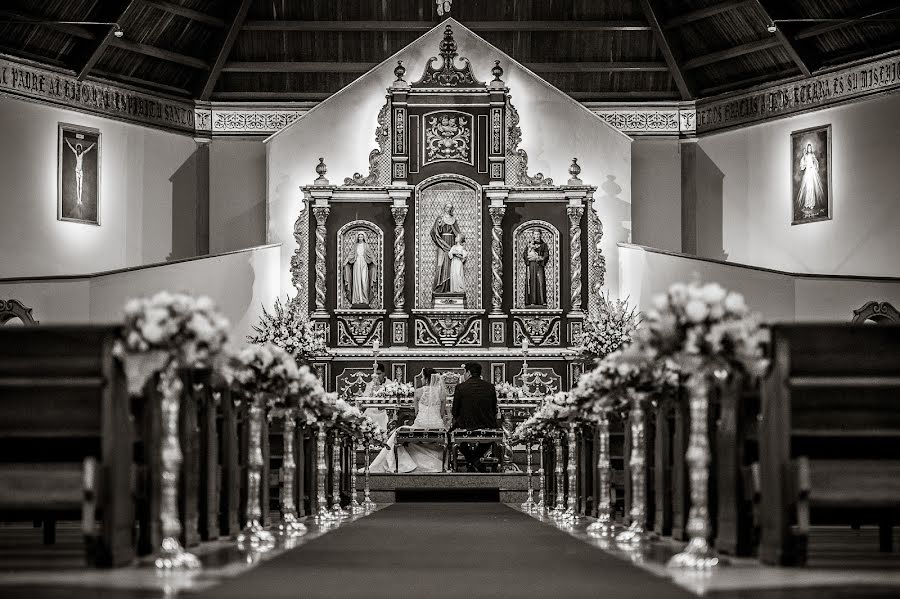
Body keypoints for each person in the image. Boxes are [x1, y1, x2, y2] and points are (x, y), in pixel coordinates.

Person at [367, 370, 449, 473]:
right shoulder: (442, 393)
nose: (422, 379)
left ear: (427, 379)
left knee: (396, 434)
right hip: (438, 428)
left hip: (420, 426)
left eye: (423, 377)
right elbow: (442, 414)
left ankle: (402, 465)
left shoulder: (418, 392)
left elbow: (416, 412)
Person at [451, 362, 499, 473]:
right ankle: (476, 459)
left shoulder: (460, 387)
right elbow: (493, 409)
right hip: (487, 424)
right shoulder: (490, 387)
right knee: (490, 437)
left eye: (464, 372)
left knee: (453, 436)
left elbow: (455, 411)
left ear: (468, 372)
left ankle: (471, 460)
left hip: (466, 424)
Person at [431, 203, 461, 294]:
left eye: (450, 208)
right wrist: (439, 225)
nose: (449, 209)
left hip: (451, 243)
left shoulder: (453, 220)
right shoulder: (440, 218)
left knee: (452, 265)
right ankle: (440, 287)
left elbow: (458, 233)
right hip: (442, 243)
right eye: (447, 207)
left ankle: (450, 287)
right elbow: (434, 232)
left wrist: (459, 243)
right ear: (444, 208)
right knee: (441, 263)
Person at [65, 137, 96, 216]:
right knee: (77, 185)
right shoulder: (76, 153)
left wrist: (92, 145)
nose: (78, 150)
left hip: (81, 171)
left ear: (80, 149)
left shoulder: (82, 154)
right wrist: (67, 141)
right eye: (77, 149)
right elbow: (71, 147)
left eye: (79, 149)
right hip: (77, 170)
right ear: (77, 149)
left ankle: (80, 199)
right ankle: (78, 199)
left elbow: (88, 150)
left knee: (81, 186)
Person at [343, 231, 375, 306]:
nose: (360, 238)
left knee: (364, 281)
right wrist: (346, 261)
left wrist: (374, 260)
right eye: (359, 236)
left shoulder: (366, 246)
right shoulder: (355, 246)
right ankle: (356, 299)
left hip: (364, 263)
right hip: (356, 263)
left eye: (362, 236)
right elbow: (351, 255)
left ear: (364, 237)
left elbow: (370, 254)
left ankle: (364, 299)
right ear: (357, 237)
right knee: (357, 281)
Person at [361, 362, 392, 431]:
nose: (377, 376)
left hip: (384, 410)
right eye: (375, 374)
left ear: (384, 374)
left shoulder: (389, 384)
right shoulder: (371, 384)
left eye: (379, 374)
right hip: (371, 410)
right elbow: (365, 397)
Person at [797, 142, 824, 217]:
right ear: (807, 148)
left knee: (811, 188)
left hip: (812, 172)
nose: (809, 149)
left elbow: (816, 162)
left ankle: (812, 204)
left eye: (810, 148)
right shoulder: (805, 156)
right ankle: (807, 203)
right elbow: (803, 164)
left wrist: (814, 167)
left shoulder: (812, 155)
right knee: (807, 188)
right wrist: (804, 156)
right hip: (807, 173)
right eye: (808, 148)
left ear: (811, 149)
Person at [524, 229, 549, 306]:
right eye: (535, 234)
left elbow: (546, 255)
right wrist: (529, 257)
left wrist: (538, 258)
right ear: (533, 235)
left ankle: (542, 301)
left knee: (541, 281)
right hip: (532, 264)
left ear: (540, 235)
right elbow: (525, 254)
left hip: (539, 264)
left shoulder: (544, 245)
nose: (537, 236)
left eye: (538, 234)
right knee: (532, 281)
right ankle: (532, 301)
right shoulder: (529, 244)